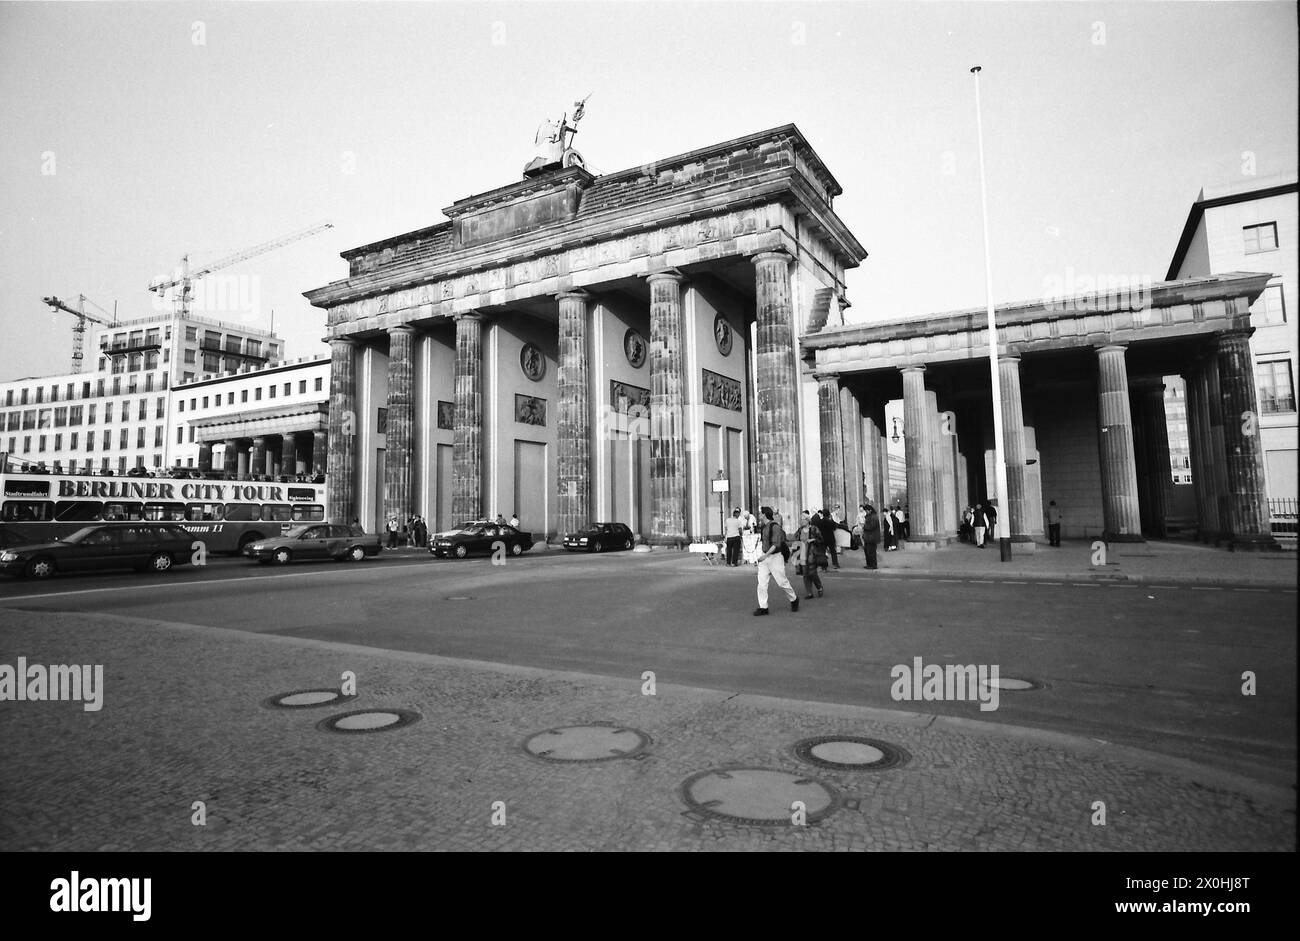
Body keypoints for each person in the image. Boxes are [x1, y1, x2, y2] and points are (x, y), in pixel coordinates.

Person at [753, 505, 798, 616]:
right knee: (762, 584)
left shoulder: (775, 527)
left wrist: (765, 555)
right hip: (766, 556)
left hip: (775, 557)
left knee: (782, 582)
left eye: (760, 513)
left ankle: (794, 599)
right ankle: (763, 607)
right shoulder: (764, 526)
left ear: (764, 514)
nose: (759, 515)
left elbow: (776, 544)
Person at [794, 510, 825, 599]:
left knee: (812, 573)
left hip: (812, 554)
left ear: (808, 520)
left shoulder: (814, 529)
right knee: (805, 574)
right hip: (802, 554)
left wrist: (813, 540)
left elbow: (821, 540)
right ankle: (809, 593)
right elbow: (795, 541)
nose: (801, 521)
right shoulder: (799, 530)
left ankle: (819, 586)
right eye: (800, 519)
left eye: (803, 519)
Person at [861, 504, 881, 569]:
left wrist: (864, 526)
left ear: (870, 510)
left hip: (872, 537)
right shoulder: (870, 516)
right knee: (867, 551)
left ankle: (873, 565)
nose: (866, 512)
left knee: (871, 552)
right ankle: (869, 564)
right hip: (868, 537)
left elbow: (871, 527)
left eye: (866, 511)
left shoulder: (873, 517)